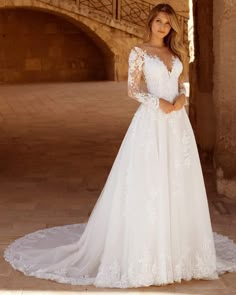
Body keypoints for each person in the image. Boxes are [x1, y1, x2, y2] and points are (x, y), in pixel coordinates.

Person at [4, 3, 236, 289]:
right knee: (149, 181)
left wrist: (180, 98)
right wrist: (158, 102)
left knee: (177, 181)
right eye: (159, 21)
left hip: (177, 126)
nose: (163, 27)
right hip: (151, 122)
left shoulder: (176, 53)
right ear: (150, 22)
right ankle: (149, 253)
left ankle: (182, 253)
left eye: (168, 22)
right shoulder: (139, 52)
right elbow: (133, 88)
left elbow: (180, 84)